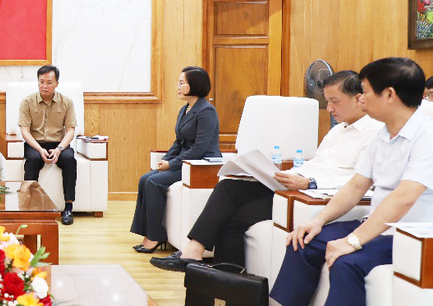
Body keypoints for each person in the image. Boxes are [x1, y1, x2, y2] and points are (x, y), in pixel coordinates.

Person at [150, 70, 382, 271]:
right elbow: (317, 163)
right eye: (327, 101)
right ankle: (199, 255)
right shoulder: (338, 130)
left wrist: (309, 182)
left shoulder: (373, 133)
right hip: (295, 186)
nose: (329, 108)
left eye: (334, 101)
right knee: (229, 187)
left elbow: (359, 181)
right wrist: (281, 172)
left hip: (312, 197)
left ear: (358, 99)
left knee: (232, 219)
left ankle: (222, 278)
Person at [270, 57, 433, 306]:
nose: (361, 98)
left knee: (346, 261)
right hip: (376, 225)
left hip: (411, 236)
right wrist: (317, 221)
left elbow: (404, 197)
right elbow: (357, 185)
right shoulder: (382, 133)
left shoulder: (427, 135)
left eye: (365, 92)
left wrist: (353, 241)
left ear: (389, 95)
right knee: (302, 241)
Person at [130, 66, 221, 252]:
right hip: (184, 161)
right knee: (145, 179)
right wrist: (166, 160)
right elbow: (179, 141)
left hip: (199, 165)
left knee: (154, 182)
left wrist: (172, 164)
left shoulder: (206, 111)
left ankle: (156, 236)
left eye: (181, 83)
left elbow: (199, 148)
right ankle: (147, 232)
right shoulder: (185, 109)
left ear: (194, 85)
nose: (177, 87)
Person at [19, 65, 78, 225]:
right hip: (35, 144)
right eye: (41, 82)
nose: (45, 86)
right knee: (32, 160)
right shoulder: (27, 102)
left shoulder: (67, 102)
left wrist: (59, 149)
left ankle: (68, 208)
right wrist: (39, 150)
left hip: (59, 144)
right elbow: (25, 132)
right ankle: (29, 208)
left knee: (69, 160)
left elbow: (71, 131)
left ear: (57, 83)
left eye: (49, 82)